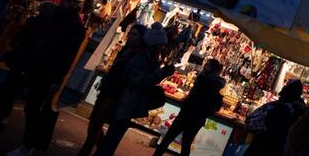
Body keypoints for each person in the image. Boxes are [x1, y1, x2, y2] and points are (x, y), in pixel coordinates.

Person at [0, 0, 85, 155]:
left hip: (43, 72)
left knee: (31, 109)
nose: (71, 4)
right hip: (27, 66)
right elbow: (27, 41)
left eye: (74, 2)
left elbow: (67, 57)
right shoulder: (50, 19)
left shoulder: (75, 28)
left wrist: (56, 80)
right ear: (63, 1)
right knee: (3, 100)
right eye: (68, 0)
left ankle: (24, 146)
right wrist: (8, 56)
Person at [94, 23, 175, 156]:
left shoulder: (148, 59)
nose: (161, 49)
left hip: (127, 104)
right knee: (111, 139)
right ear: (154, 45)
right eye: (160, 46)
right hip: (124, 103)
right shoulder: (140, 58)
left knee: (111, 139)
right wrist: (160, 73)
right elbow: (138, 80)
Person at [77, 24, 147, 156]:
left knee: (97, 121)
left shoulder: (137, 54)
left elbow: (126, 76)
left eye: (135, 34)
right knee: (95, 122)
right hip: (107, 89)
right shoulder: (126, 49)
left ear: (141, 38)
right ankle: (101, 150)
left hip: (114, 94)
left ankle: (86, 152)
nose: (131, 36)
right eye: (130, 33)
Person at [152, 58, 225, 156]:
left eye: (207, 65)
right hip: (196, 118)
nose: (204, 66)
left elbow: (197, 98)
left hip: (188, 114)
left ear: (212, 69)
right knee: (184, 144)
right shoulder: (215, 84)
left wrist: (189, 102)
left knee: (169, 139)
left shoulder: (203, 80)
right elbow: (212, 104)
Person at [246, 80, 307, 156]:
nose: (280, 94)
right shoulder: (304, 116)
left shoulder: (273, 106)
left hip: (261, 148)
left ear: (285, 93)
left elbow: (250, 123)